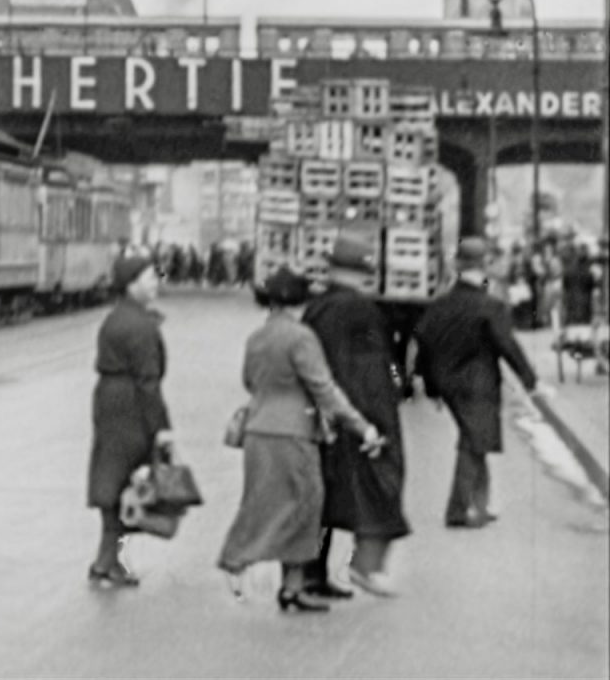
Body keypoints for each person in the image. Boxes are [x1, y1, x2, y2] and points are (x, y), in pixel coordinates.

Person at [218, 267, 381, 613]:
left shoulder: (258, 336)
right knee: (306, 506)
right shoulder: (301, 337)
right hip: (293, 433)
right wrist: (362, 426)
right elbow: (323, 388)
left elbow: (250, 381)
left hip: (259, 430)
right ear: (298, 301)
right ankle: (279, 578)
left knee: (270, 503)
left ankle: (282, 581)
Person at [301, 236, 410, 598]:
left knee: (323, 496)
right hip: (357, 412)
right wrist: (388, 403)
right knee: (381, 484)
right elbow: (379, 369)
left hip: (318, 411)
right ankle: (366, 565)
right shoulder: (364, 311)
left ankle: (311, 574)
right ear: (365, 272)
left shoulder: (316, 309)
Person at [410, 237, 540, 529]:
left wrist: (431, 387)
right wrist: (530, 380)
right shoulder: (490, 306)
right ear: (485, 266)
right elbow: (507, 345)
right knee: (474, 443)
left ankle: (481, 506)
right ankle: (459, 510)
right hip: (478, 384)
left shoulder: (439, 305)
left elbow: (423, 343)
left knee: (475, 439)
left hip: (448, 384)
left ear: (457, 265)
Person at [86, 250, 171, 588]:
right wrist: (162, 429)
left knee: (115, 481)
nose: (155, 283)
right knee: (128, 484)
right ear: (131, 284)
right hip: (131, 405)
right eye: (149, 278)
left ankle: (108, 560)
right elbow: (149, 382)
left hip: (109, 401)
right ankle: (106, 561)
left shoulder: (116, 317)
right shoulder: (140, 325)